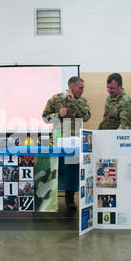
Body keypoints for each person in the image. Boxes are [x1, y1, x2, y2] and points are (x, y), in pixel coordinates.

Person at [42, 76, 91, 210]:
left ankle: (70, 199)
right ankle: (50, 198)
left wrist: (75, 102)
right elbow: (45, 117)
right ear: (72, 87)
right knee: (56, 169)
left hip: (74, 143)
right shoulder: (55, 99)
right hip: (58, 141)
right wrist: (57, 115)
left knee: (72, 171)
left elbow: (86, 116)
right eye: (81, 88)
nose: (82, 91)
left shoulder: (82, 101)